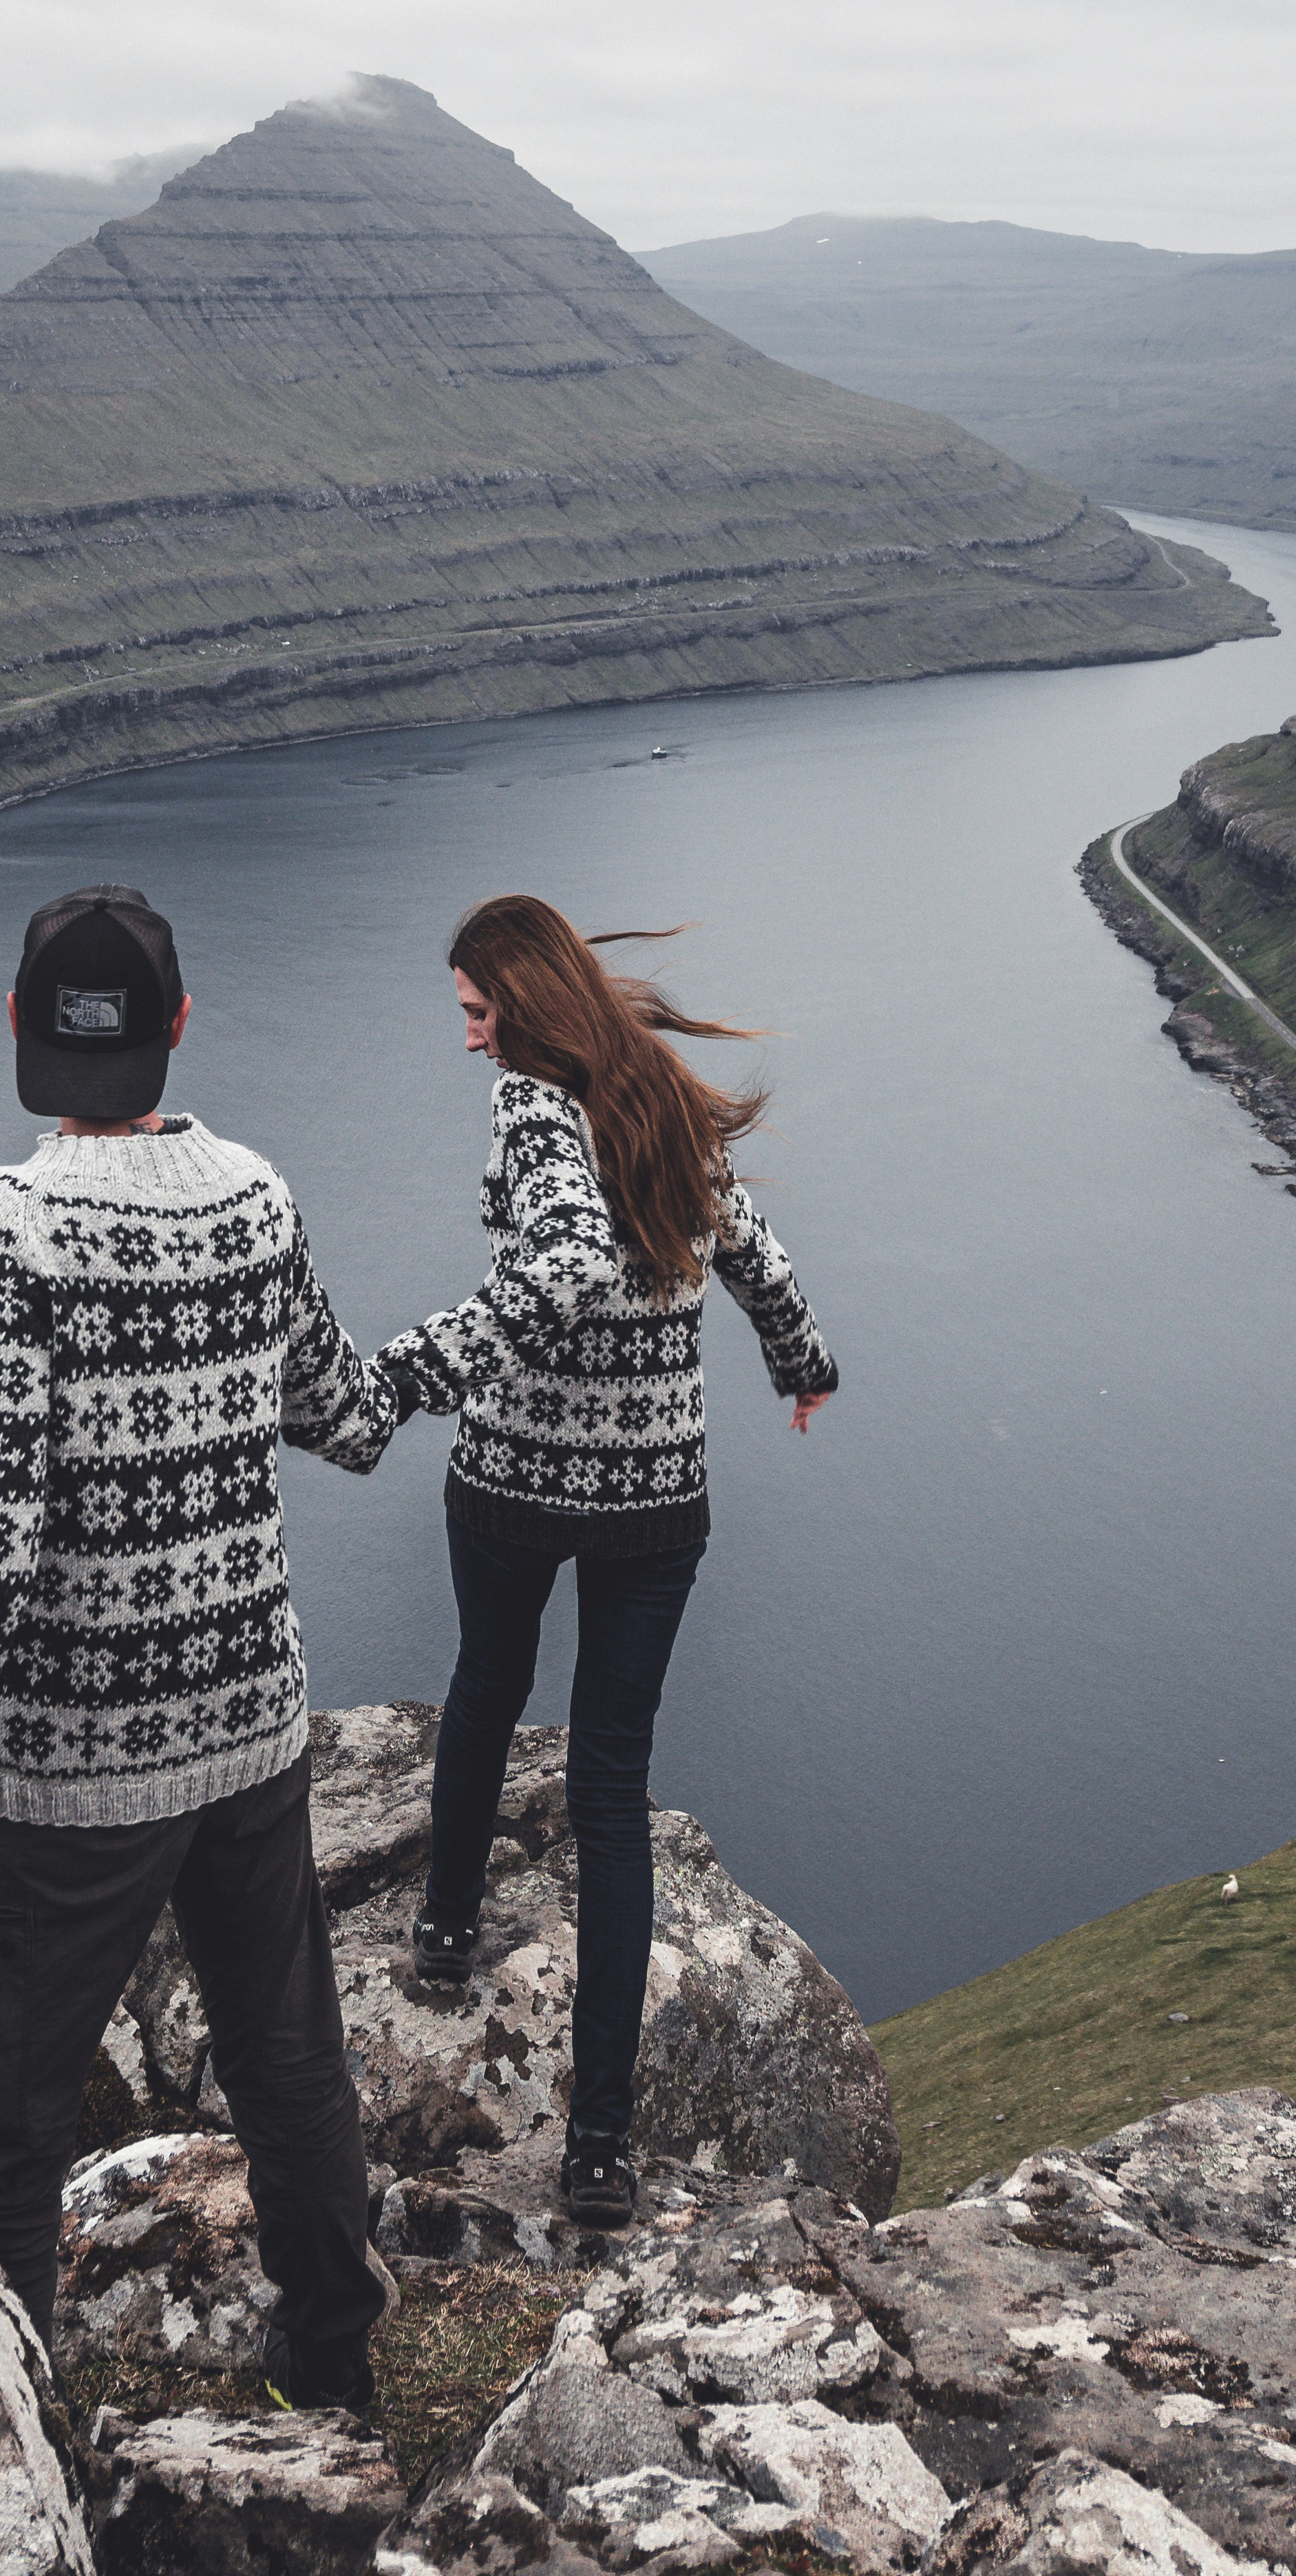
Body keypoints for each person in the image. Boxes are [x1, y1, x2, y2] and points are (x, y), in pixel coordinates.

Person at [0, 881, 400, 2407]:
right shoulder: (257, 1195)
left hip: (79, 1765)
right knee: (287, 2062)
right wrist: (471, 1349)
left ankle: (23, 2454)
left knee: (1, 2124)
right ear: (181, 1028)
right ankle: (334, 2366)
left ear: (18, 1028)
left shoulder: (4, 1227)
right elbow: (339, 1414)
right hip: (250, 1725)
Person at [371, 893, 839, 2231]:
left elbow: (568, 1259)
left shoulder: (531, 1103)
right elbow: (755, 1253)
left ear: (522, 1006)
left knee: (485, 1685)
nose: (468, 1042)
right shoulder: (660, 1099)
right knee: (612, 1791)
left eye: (475, 1013)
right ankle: (601, 2149)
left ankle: (450, 1927)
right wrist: (800, 1361)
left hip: (515, 1476)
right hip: (654, 1494)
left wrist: (421, 1363)